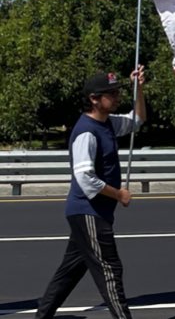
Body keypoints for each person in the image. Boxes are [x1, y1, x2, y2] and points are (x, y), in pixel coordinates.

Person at [35, 66, 147, 319]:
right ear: (94, 99)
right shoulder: (86, 132)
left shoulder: (108, 124)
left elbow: (138, 120)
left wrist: (139, 88)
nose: (117, 97)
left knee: (70, 272)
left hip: (90, 213)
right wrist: (119, 194)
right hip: (89, 212)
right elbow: (85, 179)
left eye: (118, 92)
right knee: (109, 270)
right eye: (111, 93)